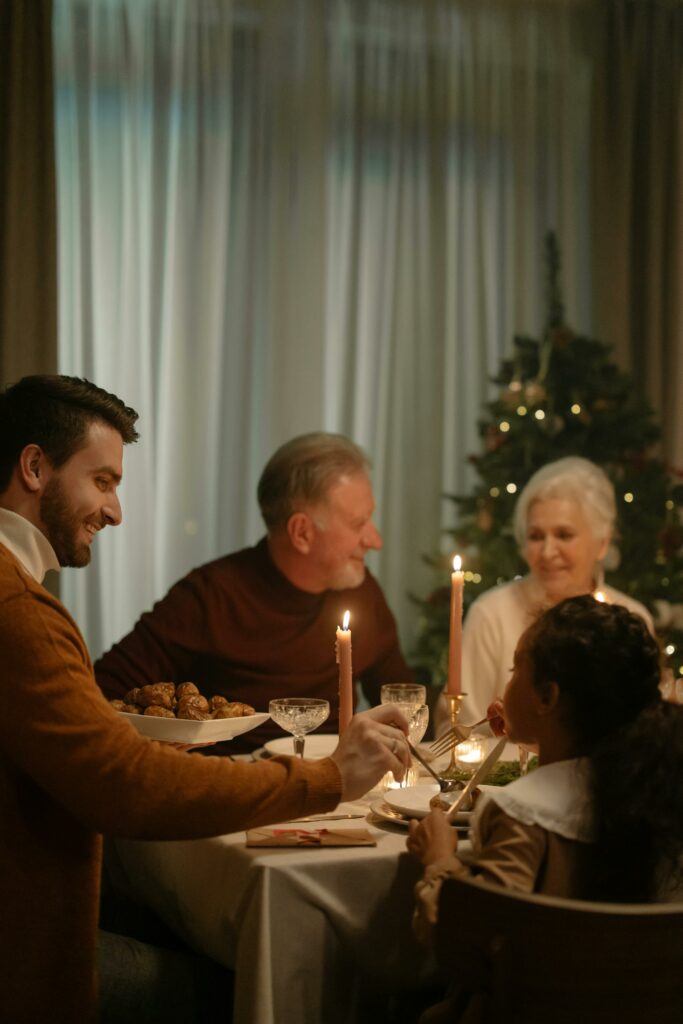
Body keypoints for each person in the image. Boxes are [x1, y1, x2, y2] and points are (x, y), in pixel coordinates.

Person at [0, 375, 411, 1023]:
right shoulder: (21, 610)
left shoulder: (24, 603)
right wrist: (325, 779)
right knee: (279, 988)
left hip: (43, 913)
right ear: (32, 467)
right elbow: (123, 781)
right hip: (28, 954)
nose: (116, 512)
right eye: (103, 482)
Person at [95, 431, 413, 751]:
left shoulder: (360, 591)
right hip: (238, 786)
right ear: (301, 532)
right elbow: (101, 693)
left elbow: (402, 704)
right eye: (360, 523)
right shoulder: (212, 595)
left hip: (338, 783)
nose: (375, 540)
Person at [408, 597, 683, 936]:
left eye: (515, 672)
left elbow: (468, 939)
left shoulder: (525, 816)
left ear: (546, 698)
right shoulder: (658, 786)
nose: (507, 685)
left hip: (539, 990)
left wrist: (439, 859)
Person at [437, 456, 653, 730]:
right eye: (536, 536)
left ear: (602, 543)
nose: (548, 552)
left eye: (564, 535)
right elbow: (458, 730)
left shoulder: (632, 619)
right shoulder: (492, 615)